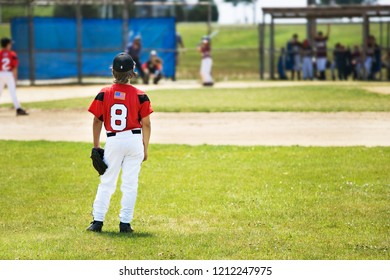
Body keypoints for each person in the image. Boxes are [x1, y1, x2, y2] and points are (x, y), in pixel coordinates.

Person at [87, 52, 153, 233]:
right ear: (133, 72)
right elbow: (146, 123)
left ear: (113, 71)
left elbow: (97, 121)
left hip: (114, 140)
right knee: (130, 184)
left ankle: (97, 222)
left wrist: (96, 146)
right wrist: (145, 147)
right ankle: (125, 223)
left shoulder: (104, 93)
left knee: (107, 182)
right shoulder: (141, 95)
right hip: (134, 140)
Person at [0, 37, 28, 116]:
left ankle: (18, 108)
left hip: (0, 73)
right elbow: (15, 67)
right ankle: (18, 109)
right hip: (8, 74)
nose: (11, 45)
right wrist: (15, 78)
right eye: (10, 44)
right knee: (12, 92)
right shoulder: (12, 54)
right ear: (7, 45)